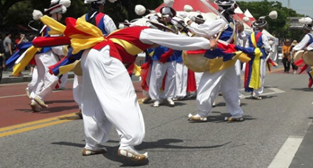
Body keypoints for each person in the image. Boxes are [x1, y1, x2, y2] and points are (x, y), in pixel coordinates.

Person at [33, 12, 217, 162]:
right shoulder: (144, 31)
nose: (161, 34)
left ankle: (92, 144)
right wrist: (204, 43)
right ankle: (128, 143)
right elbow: (173, 41)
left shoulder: (123, 33)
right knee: (123, 98)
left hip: (91, 57)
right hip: (105, 57)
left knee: (93, 101)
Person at [187, 0, 249, 122]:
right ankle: (236, 112)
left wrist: (190, 24)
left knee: (207, 82)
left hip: (220, 56)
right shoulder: (232, 21)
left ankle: (202, 112)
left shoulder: (222, 21)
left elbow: (206, 30)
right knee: (230, 86)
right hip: (228, 56)